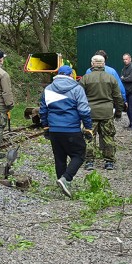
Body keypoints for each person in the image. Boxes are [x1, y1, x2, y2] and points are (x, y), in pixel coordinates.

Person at [39, 65, 93, 198]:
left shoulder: (48, 89)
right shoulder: (77, 89)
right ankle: (66, 179)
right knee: (79, 154)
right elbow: (84, 110)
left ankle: (61, 183)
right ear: (70, 75)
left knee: (59, 157)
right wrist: (88, 127)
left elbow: (43, 110)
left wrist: (46, 127)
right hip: (71, 129)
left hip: (54, 130)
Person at [80, 55, 124, 170]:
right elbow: (118, 97)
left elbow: (79, 97)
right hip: (107, 113)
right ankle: (109, 161)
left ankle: (89, 161)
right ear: (103, 64)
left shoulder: (85, 78)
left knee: (89, 137)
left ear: (92, 64)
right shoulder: (111, 78)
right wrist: (118, 112)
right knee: (108, 137)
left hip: (90, 113)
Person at [120, 53, 132, 129]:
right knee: (128, 108)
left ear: (130, 59)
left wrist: (123, 78)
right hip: (127, 91)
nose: (125, 61)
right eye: (124, 59)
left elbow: (131, 78)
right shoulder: (124, 69)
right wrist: (124, 78)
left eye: (126, 59)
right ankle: (131, 123)